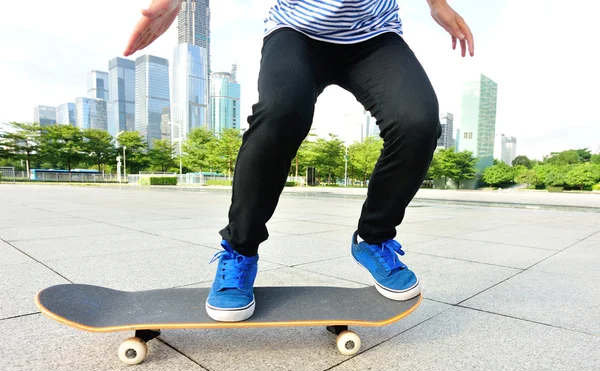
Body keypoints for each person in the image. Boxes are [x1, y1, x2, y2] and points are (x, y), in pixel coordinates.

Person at [125, 0, 474, 322]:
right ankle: (239, 250)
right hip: (296, 32)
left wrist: (437, 4)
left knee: (419, 123)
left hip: (375, 35)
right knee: (281, 114)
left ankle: (373, 240)